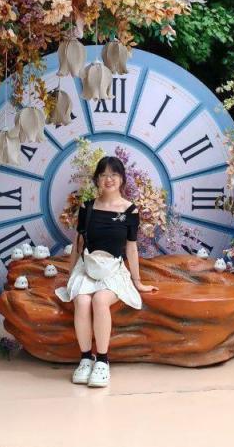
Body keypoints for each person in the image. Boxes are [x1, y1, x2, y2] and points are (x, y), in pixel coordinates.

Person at [55, 156, 158, 387]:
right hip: (87, 267)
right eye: (103, 175)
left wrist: (138, 282)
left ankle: (102, 361)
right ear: (97, 179)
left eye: (114, 174)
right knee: (82, 300)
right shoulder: (88, 207)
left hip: (113, 270)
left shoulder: (130, 210)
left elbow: (131, 247)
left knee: (100, 300)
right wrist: (71, 276)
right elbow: (78, 244)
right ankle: (85, 359)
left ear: (122, 179)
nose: (108, 179)